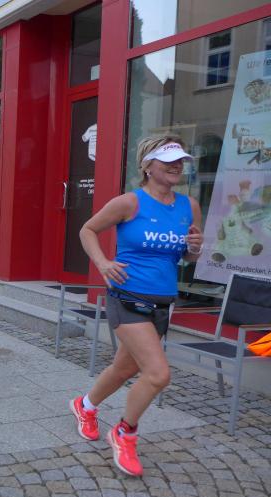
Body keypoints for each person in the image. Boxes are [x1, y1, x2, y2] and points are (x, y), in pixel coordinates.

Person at [69, 134, 203, 477]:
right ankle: (125, 432)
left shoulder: (189, 206)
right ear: (147, 166)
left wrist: (194, 249)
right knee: (158, 374)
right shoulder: (130, 202)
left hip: (162, 302)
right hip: (127, 297)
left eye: (180, 160)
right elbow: (87, 230)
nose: (176, 166)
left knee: (124, 369)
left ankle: (85, 406)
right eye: (168, 160)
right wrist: (103, 263)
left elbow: (187, 256)